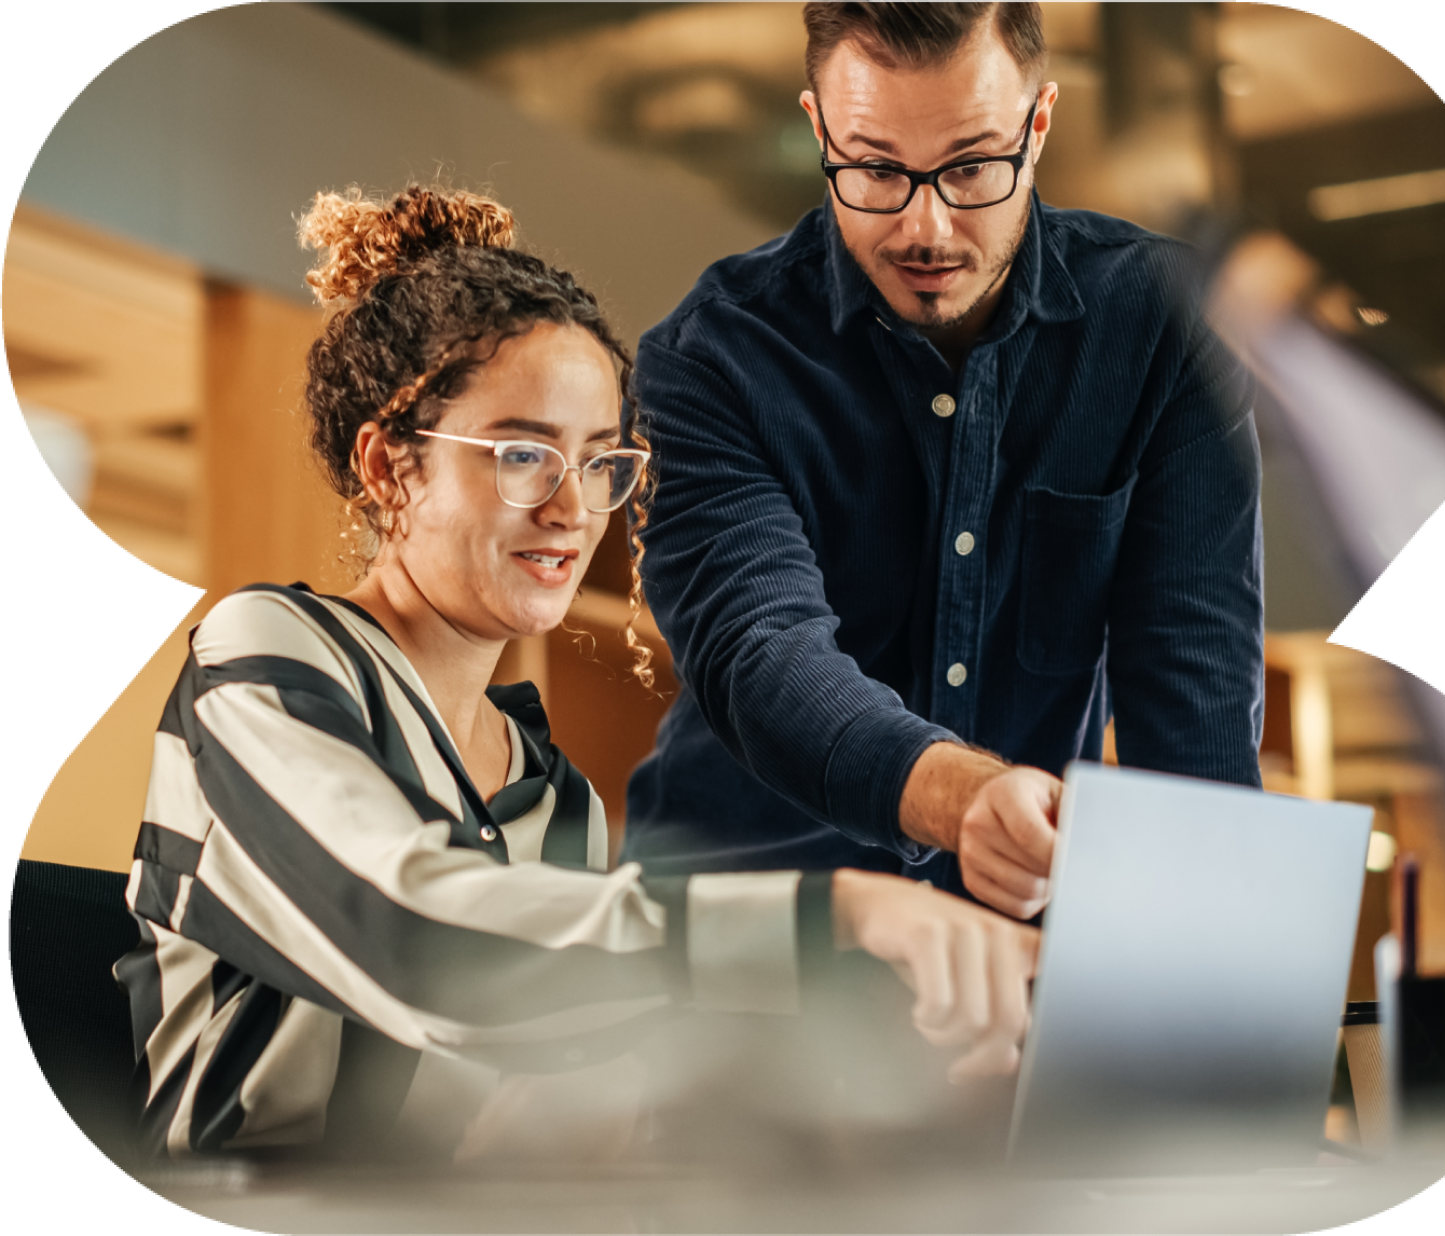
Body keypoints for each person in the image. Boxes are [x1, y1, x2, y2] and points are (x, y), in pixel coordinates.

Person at [113, 185, 1038, 1160]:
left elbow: (549, 1084)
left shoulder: (553, 796)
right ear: (389, 468)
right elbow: (416, 940)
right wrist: (835, 917)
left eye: (601, 464)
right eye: (523, 454)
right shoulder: (266, 652)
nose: (573, 510)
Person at [621, 0, 1264, 919]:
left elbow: (1195, 718)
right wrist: (964, 799)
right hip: (744, 934)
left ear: (1038, 126)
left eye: (970, 167)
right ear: (819, 128)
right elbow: (760, 653)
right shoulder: (713, 358)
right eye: (876, 168)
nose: (926, 228)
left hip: (1009, 947)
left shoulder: (1166, 331)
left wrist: (1220, 978)